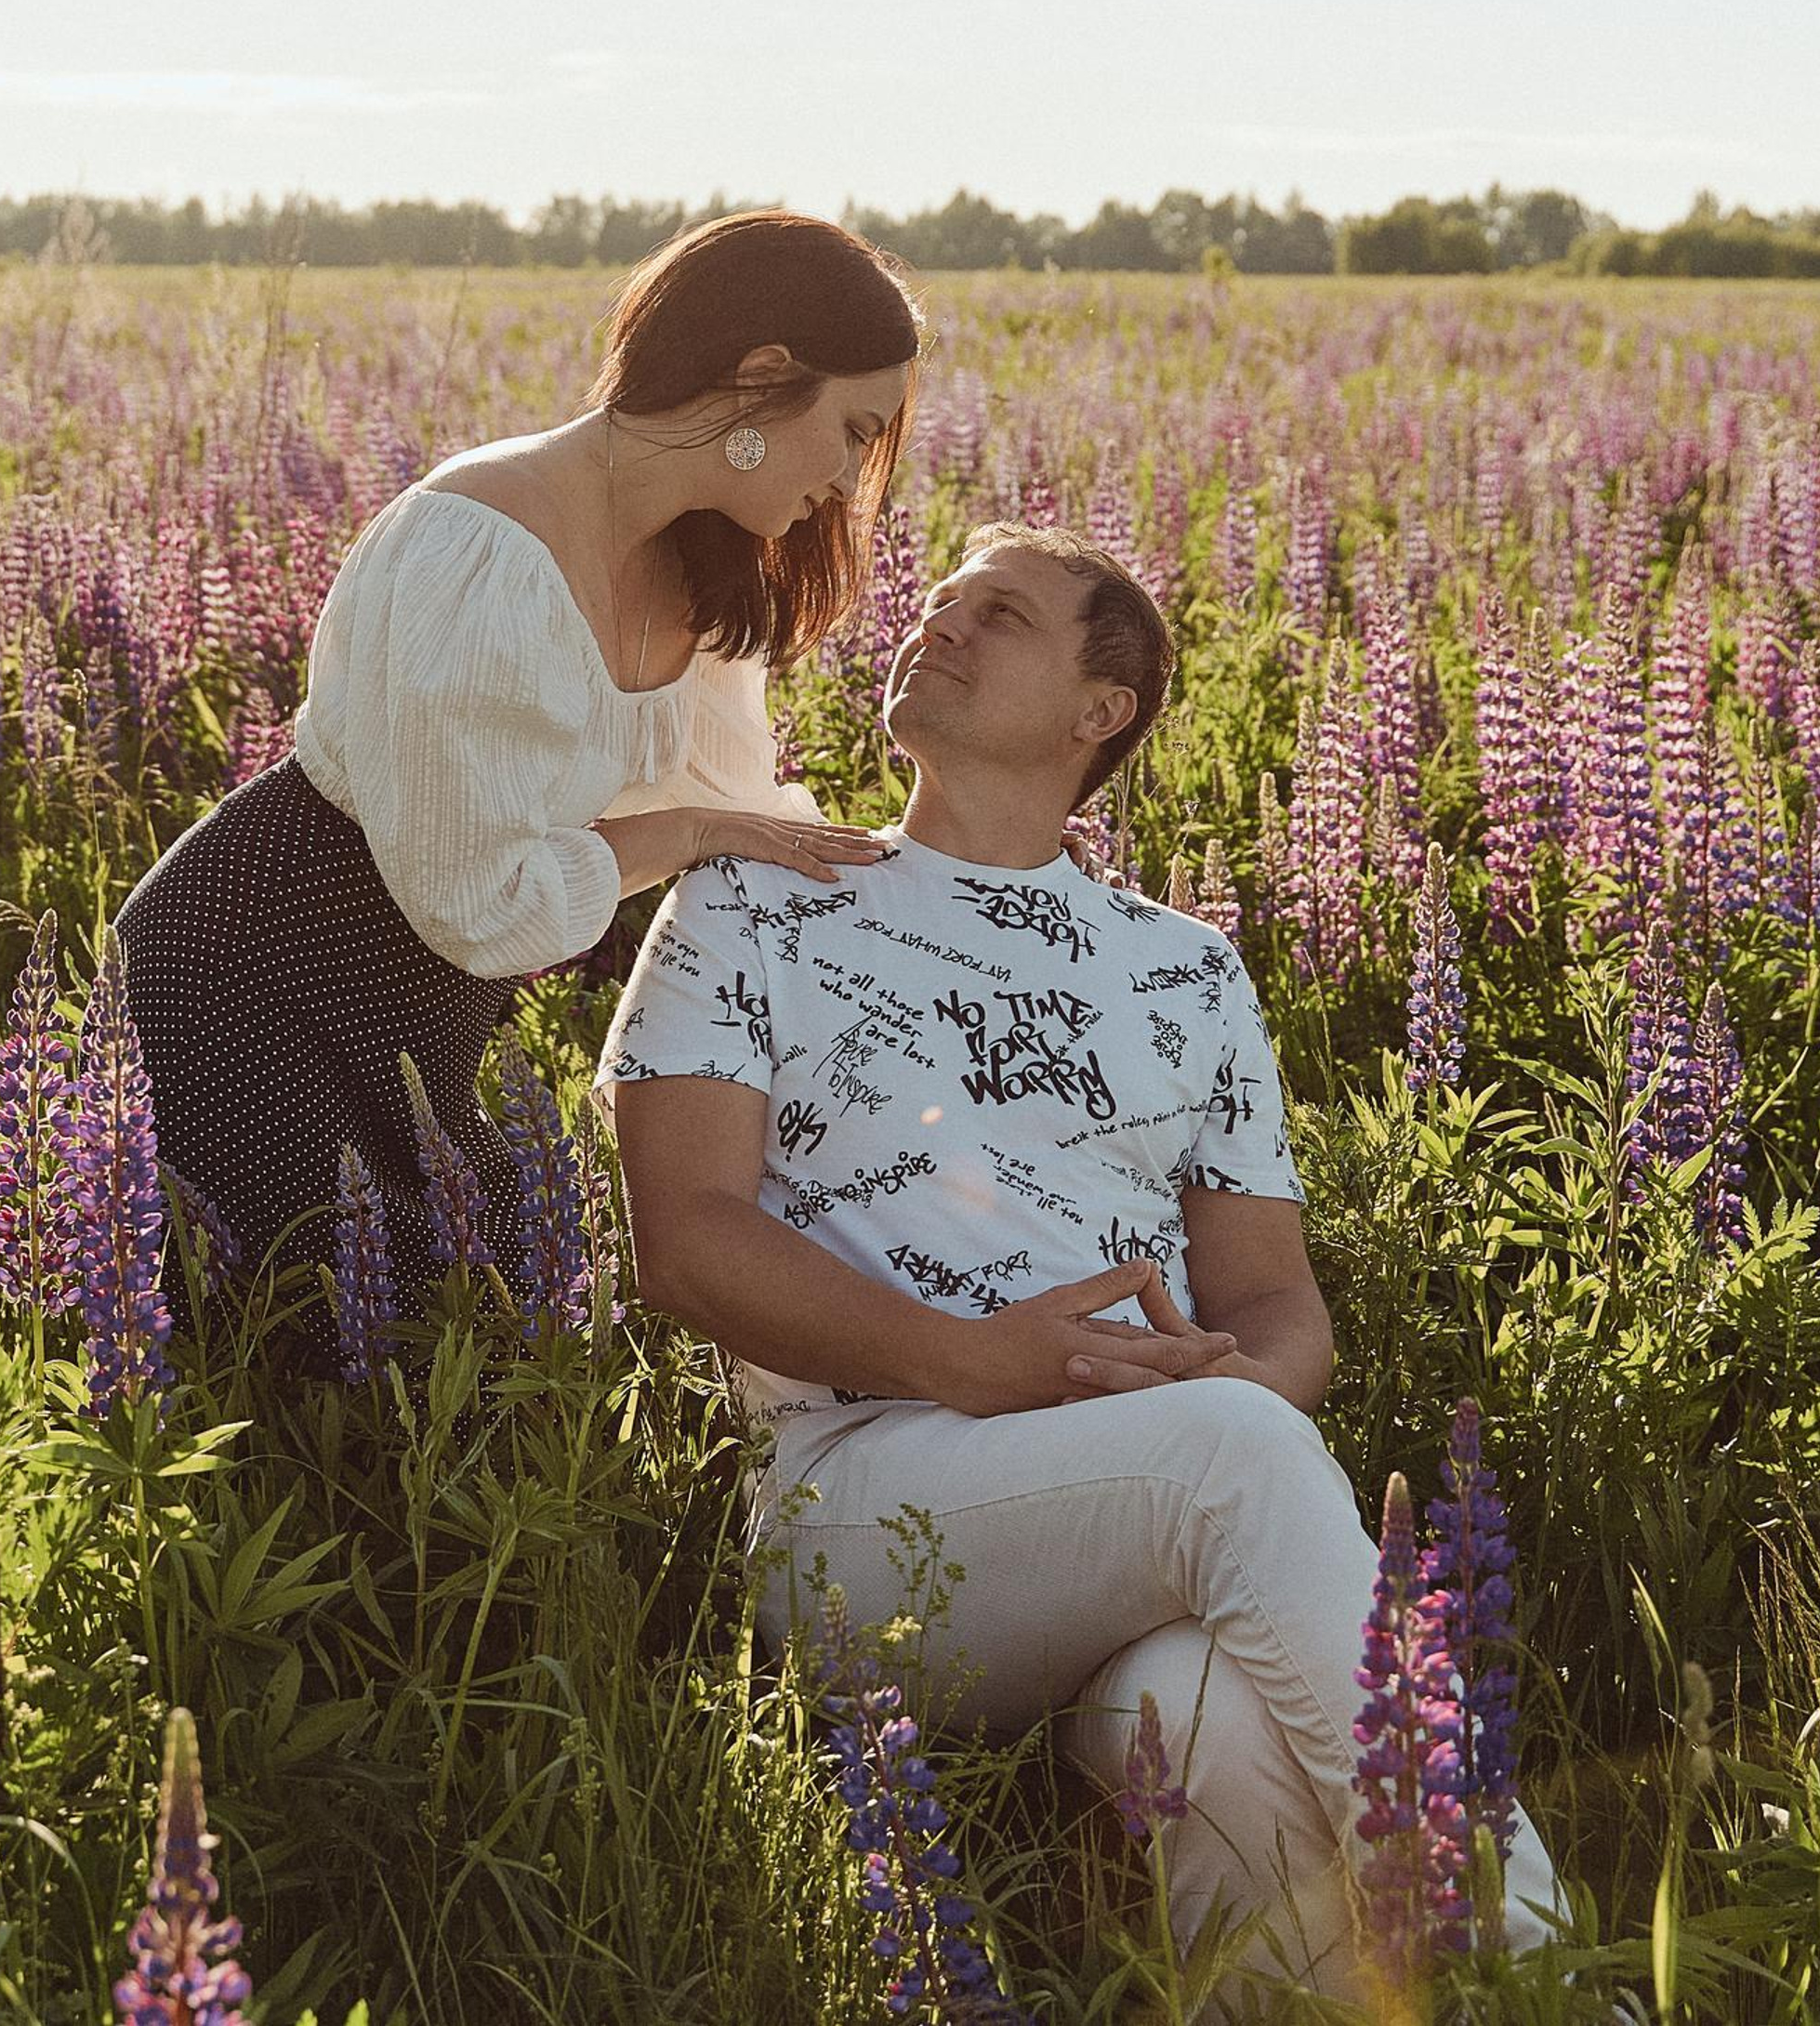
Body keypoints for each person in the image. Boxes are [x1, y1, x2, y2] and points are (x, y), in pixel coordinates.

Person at [594, 524, 1568, 2008]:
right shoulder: (756, 896)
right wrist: (988, 1365)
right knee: (1236, 1460)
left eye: (999, 614)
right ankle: (1564, 1985)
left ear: (1097, 713)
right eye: (936, 600)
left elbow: (1275, 1303)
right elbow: (686, 1241)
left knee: (1210, 1728)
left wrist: (1206, 1381)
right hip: (858, 1490)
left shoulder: (1183, 965)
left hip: (1144, 1492)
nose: (939, 620)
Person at [115, 211, 923, 1364]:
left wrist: (918, 896)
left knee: (474, 1365)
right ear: (759, 382)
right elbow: (481, 900)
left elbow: (741, 812)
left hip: (424, 1001)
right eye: (850, 431)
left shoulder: (700, 566)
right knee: (317, 1381)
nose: (851, 480)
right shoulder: (476, 543)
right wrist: (688, 829)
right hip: (254, 977)